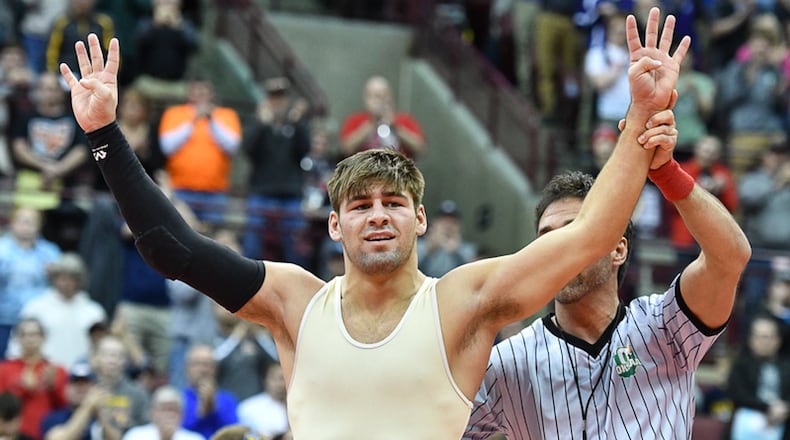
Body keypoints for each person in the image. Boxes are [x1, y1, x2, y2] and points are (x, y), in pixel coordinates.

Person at [60, 7, 687, 437]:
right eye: (360, 206)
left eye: (392, 204)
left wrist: (638, 120)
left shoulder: (463, 301)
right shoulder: (293, 301)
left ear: (418, 217)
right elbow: (175, 249)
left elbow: (592, 238)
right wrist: (104, 135)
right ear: (335, 226)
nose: (377, 216)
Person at [464, 57, 751, 440]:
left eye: (575, 231)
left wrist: (667, 174)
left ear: (617, 249)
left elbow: (730, 256)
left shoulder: (665, 328)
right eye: (547, 236)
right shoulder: (507, 363)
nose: (559, 246)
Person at [727, 315, 790, 440]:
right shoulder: (741, 365)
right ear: (750, 339)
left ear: (777, 340)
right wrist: (768, 407)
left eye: (767, 337)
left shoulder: (787, 367)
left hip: (782, 421)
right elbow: (737, 395)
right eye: (758, 336)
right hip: (746, 420)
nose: (763, 341)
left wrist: (785, 407)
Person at [339, 75, 426, 159]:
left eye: (384, 95)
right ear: (366, 99)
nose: (380, 101)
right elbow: (347, 149)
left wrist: (395, 127)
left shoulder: (404, 119)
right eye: (375, 96)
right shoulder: (355, 120)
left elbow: (419, 147)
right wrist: (372, 123)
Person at [121, 385, 203, 440]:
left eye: (173, 409)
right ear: (152, 413)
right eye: (164, 409)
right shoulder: (135, 436)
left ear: (182, 414)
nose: (169, 415)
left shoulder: (195, 438)